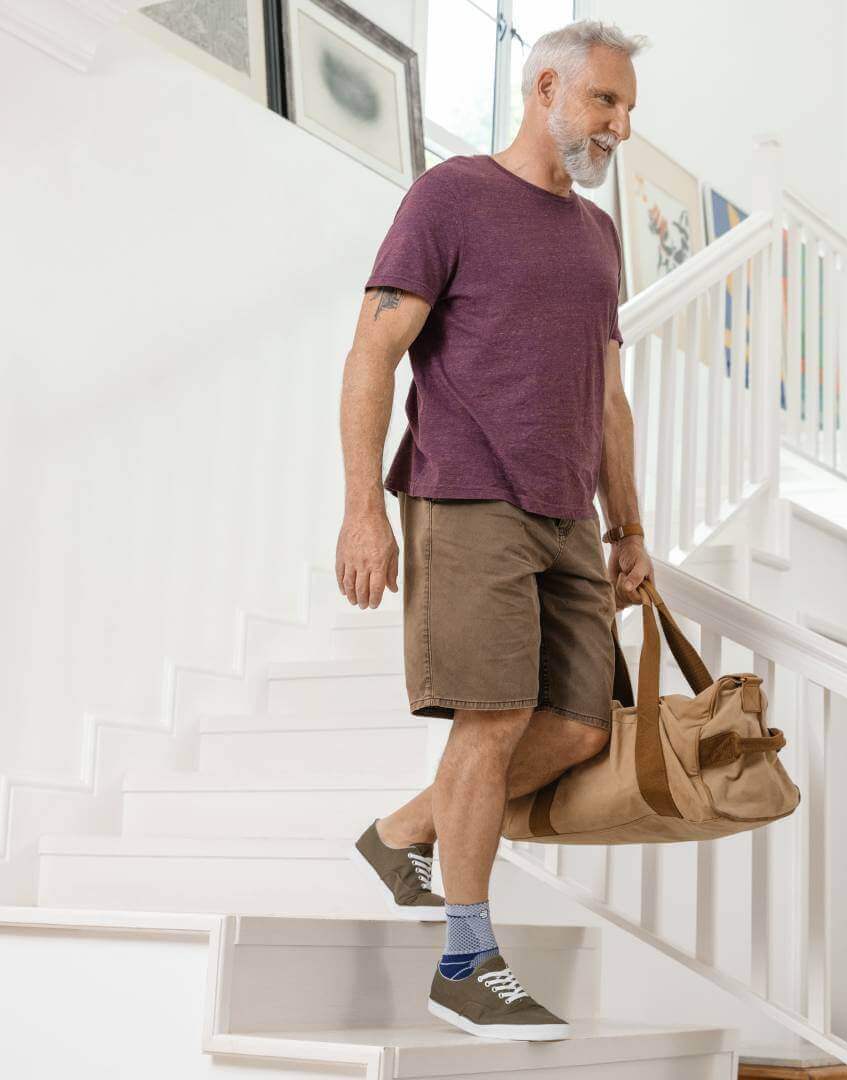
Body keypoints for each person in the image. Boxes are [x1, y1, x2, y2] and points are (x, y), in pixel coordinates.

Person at [335, 19, 651, 1043]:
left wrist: (627, 527)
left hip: (569, 516)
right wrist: (362, 507)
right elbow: (373, 351)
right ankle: (465, 960)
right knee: (493, 719)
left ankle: (403, 831)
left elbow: (608, 397)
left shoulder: (598, 236)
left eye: (627, 109)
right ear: (545, 88)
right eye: (605, 101)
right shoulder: (452, 196)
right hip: (466, 492)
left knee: (582, 726)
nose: (619, 126)